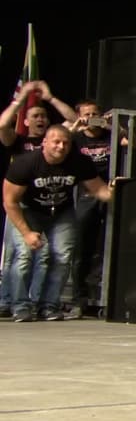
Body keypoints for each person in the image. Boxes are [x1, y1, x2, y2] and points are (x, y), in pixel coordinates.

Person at [3, 124, 114, 322]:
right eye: (56, 142)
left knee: (62, 256)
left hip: (61, 211)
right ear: (44, 143)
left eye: (65, 143)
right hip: (28, 210)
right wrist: (26, 232)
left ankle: (49, 306)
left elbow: (99, 190)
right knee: (24, 256)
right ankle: (20, 306)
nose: (61, 147)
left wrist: (115, 190)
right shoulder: (25, 163)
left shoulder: (79, 162)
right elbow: (10, 202)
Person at [0, 80, 78, 319]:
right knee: (17, 255)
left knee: (43, 257)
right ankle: (7, 301)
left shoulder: (57, 141)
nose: (40, 119)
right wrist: (22, 99)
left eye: (43, 115)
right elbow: (3, 124)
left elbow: (74, 120)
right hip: (20, 203)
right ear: (25, 120)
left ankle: (33, 302)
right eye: (34, 116)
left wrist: (51, 97)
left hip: (48, 204)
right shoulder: (19, 141)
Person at [66, 100, 136, 318]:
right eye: (87, 114)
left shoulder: (111, 135)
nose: (92, 117)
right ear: (80, 116)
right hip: (86, 193)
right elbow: (57, 145)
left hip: (111, 191)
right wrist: (75, 126)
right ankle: (79, 299)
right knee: (82, 247)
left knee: (110, 244)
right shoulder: (76, 138)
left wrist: (114, 126)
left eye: (95, 113)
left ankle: (107, 297)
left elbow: (135, 143)